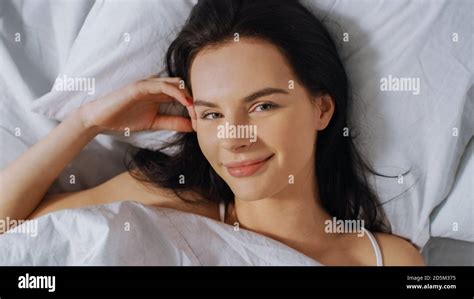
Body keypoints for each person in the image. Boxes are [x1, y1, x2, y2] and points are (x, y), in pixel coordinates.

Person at [0, 0, 424, 266]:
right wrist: (86, 122)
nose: (234, 138)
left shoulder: (387, 259)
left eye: (262, 105)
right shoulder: (165, 204)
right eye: (212, 114)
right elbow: (11, 231)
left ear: (321, 108)